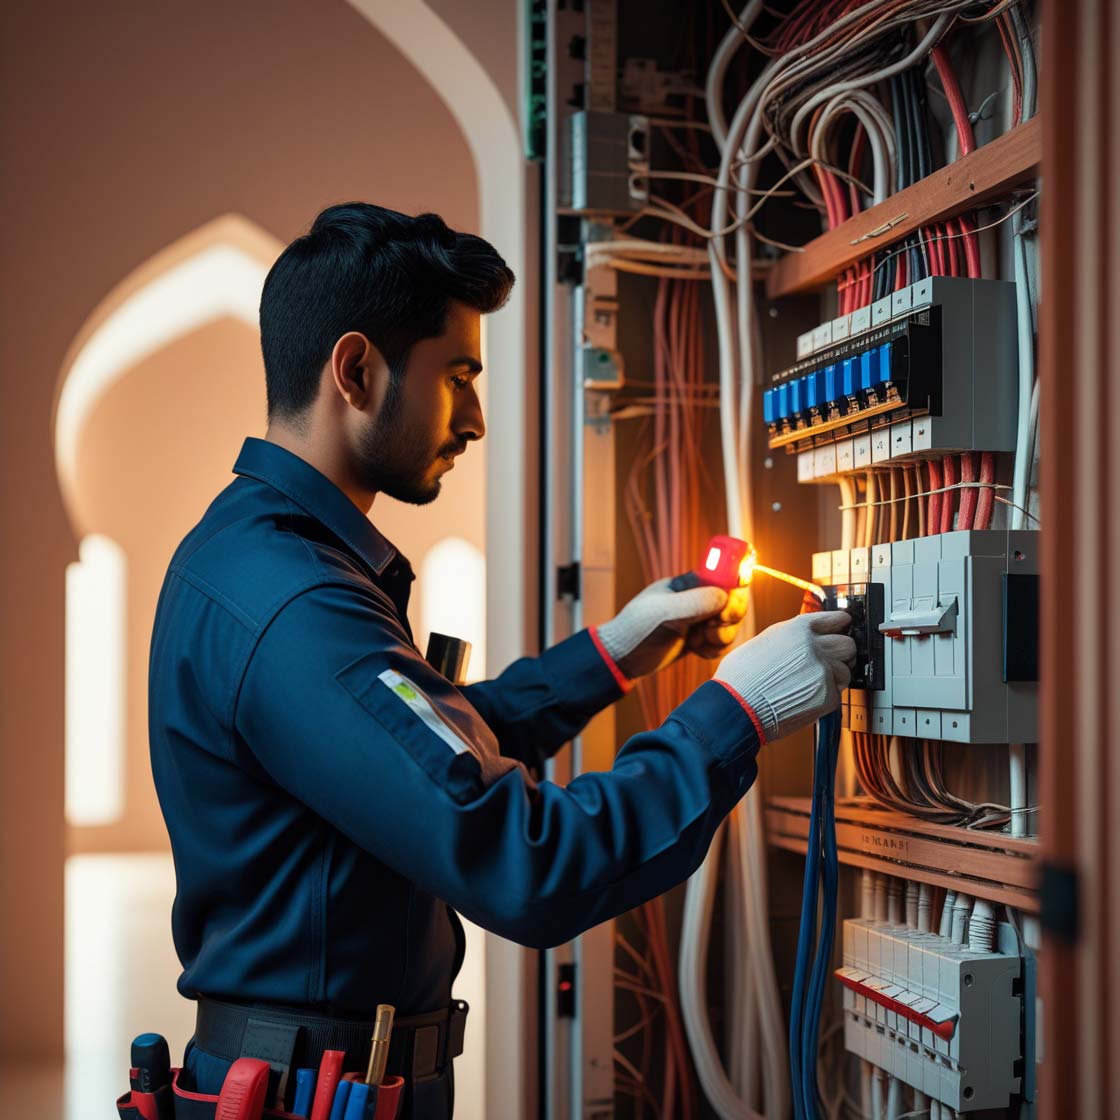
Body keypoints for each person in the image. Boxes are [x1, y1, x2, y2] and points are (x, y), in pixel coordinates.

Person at [148, 202, 855, 1120]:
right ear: (356, 370)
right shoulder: (298, 607)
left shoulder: (266, 559)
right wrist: (738, 710)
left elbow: (416, 759)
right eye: (459, 376)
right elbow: (529, 864)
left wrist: (615, 653)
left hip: (322, 1080)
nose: (474, 418)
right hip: (305, 1095)